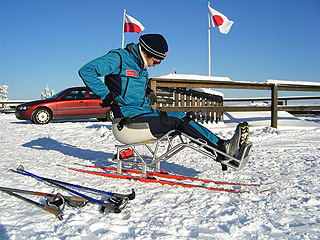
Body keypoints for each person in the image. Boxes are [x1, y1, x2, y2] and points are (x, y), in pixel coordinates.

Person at [79, 33, 249, 169]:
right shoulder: (119, 59)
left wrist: (146, 91)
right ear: (146, 52)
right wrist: (106, 95)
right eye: (157, 60)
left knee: (183, 118)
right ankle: (224, 150)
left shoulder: (141, 67)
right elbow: (87, 70)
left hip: (143, 114)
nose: (156, 64)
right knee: (176, 118)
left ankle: (222, 149)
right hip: (126, 121)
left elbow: (129, 86)